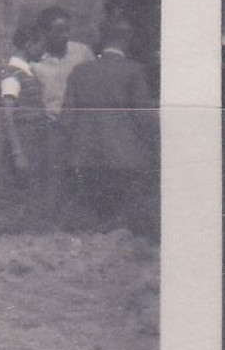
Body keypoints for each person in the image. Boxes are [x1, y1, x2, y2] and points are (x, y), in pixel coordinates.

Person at [61, 17, 158, 232]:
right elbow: (144, 117)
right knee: (122, 222)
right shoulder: (134, 71)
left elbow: (66, 118)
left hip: (85, 156)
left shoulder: (80, 71)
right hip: (124, 157)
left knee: (93, 219)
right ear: (127, 39)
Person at [0, 23, 48, 182]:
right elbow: (7, 115)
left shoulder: (27, 71)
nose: (44, 50)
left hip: (34, 141)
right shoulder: (12, 74)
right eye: (41, 45)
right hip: (23, 141)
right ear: (28, 44)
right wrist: (17, 153)